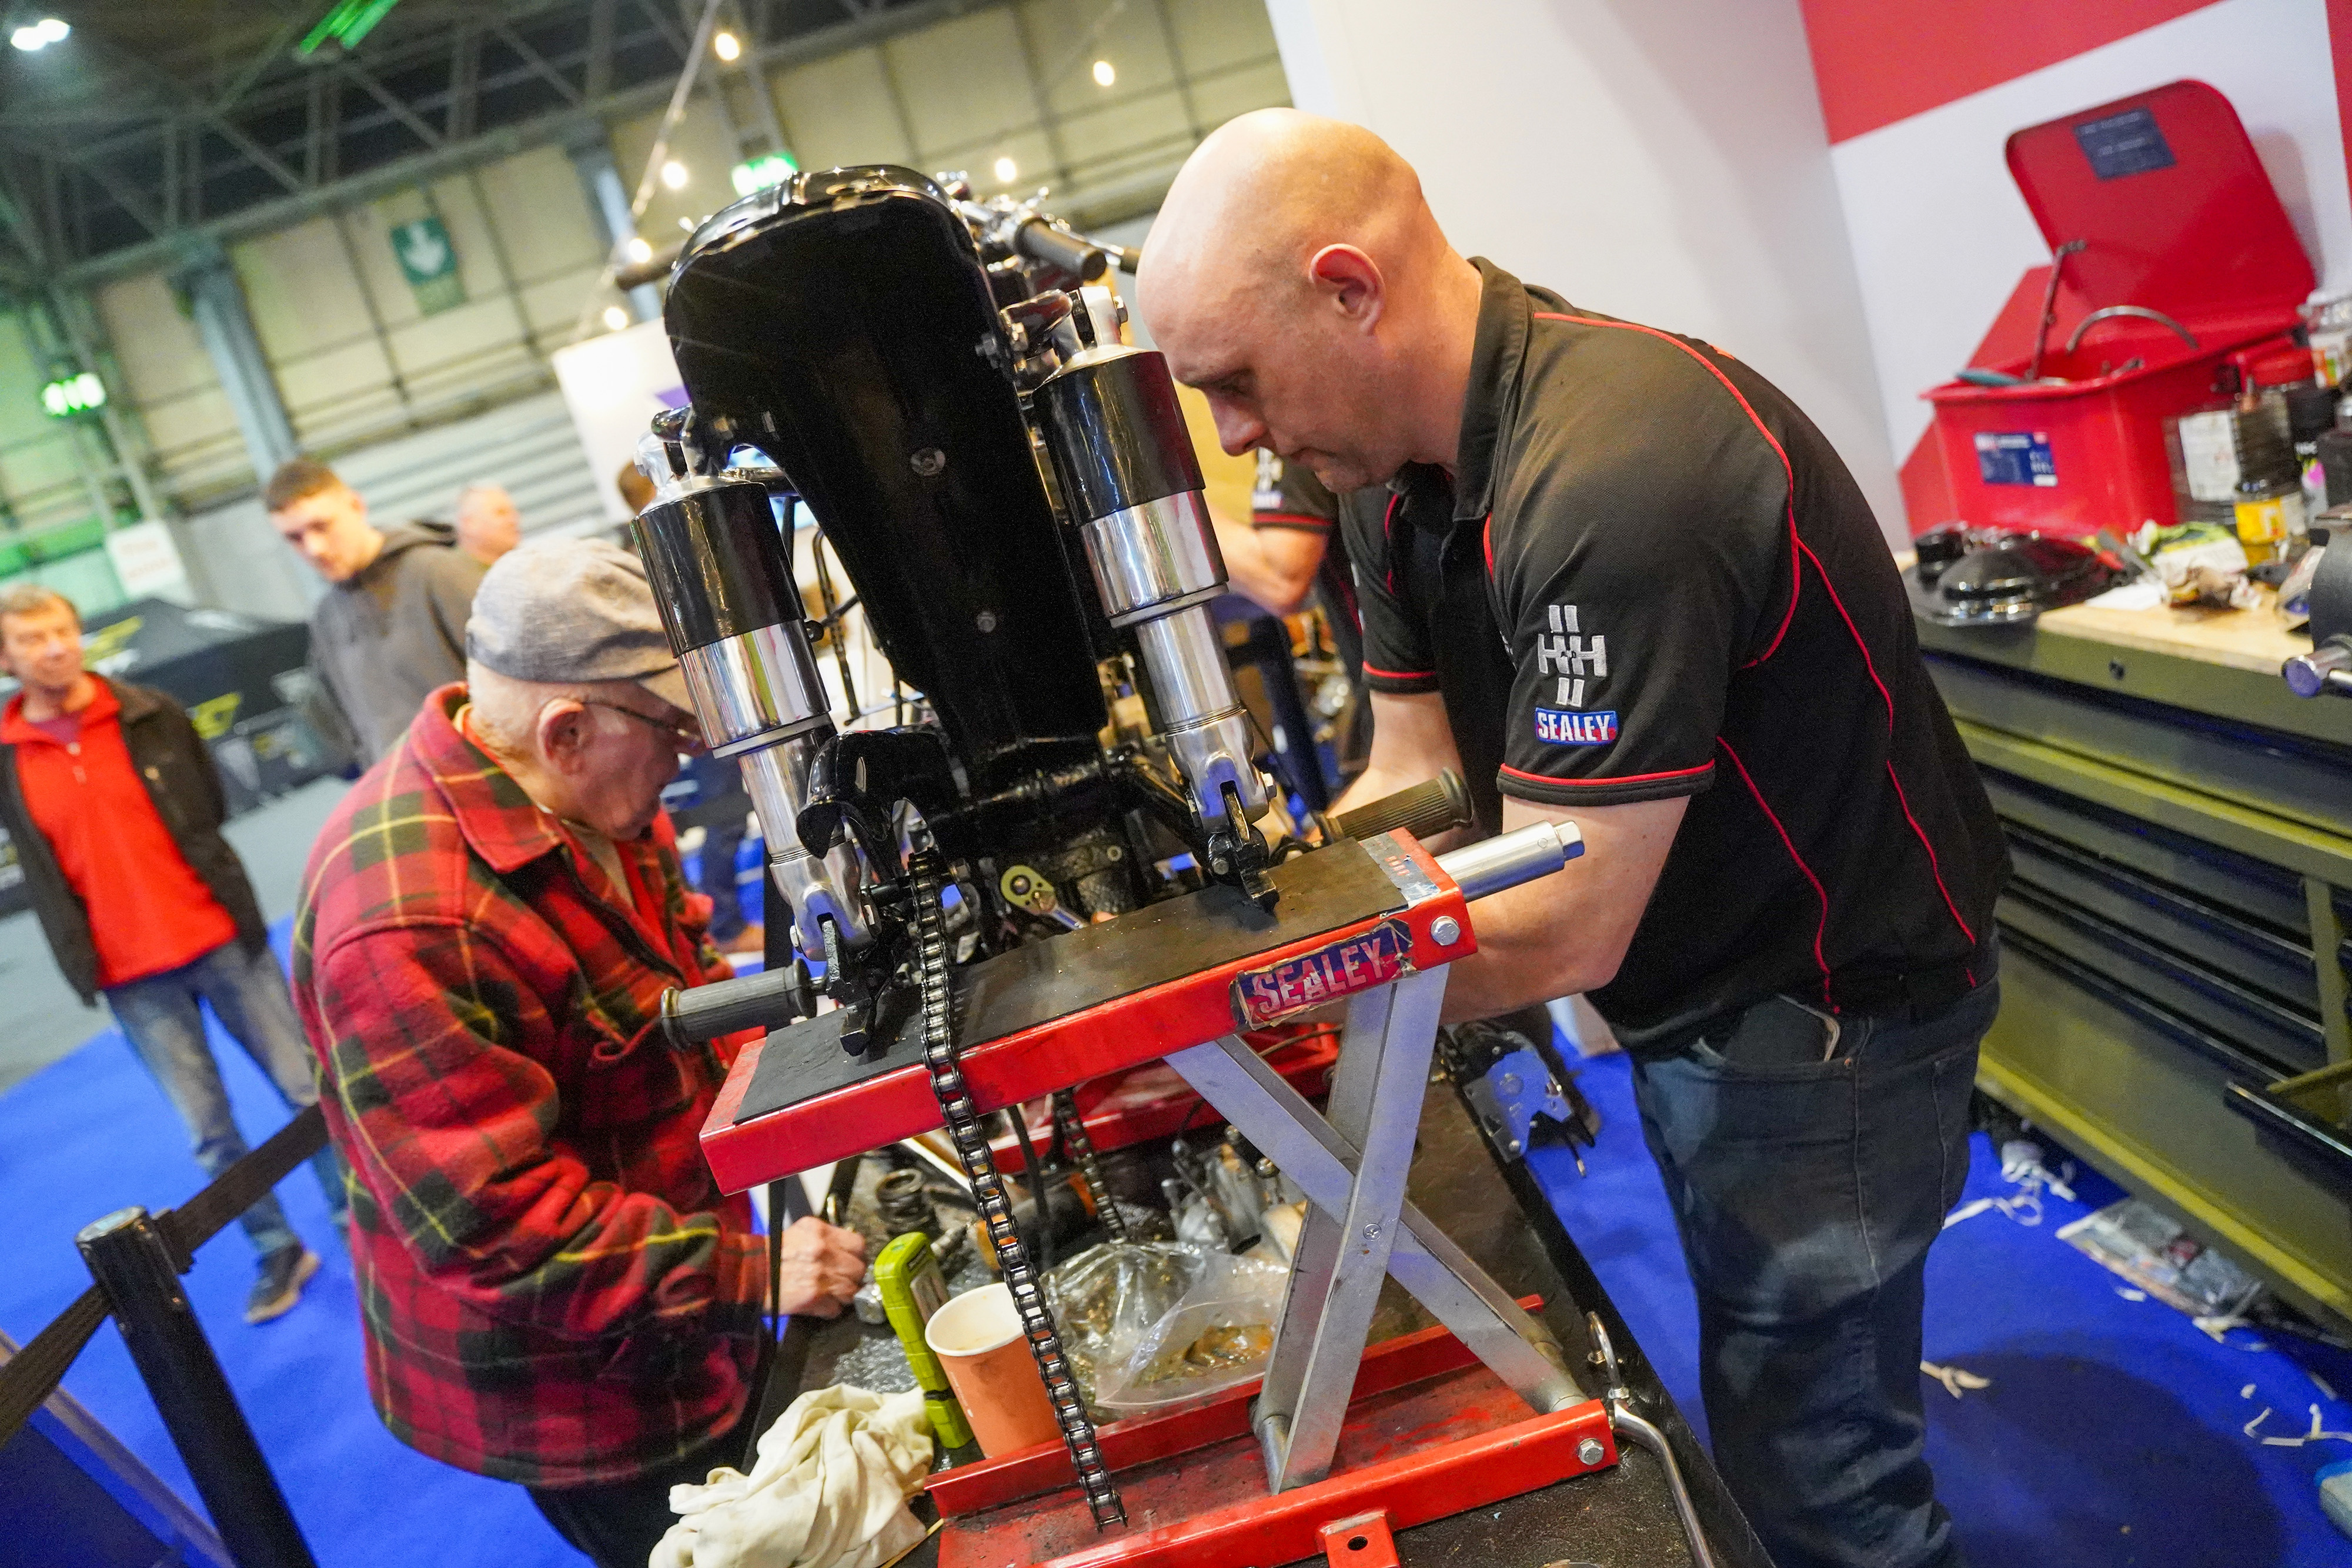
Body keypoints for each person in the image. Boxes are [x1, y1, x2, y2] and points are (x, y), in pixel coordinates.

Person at [1139, 110, 2007, 1568]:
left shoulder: (1617, 471)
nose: (1234, 438)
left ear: (1347, 290)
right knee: (1761, 1369)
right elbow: (1414, 772)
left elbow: (1564, 921)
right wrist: (1261, 910)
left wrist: (1254, 997)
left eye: (1233, 381)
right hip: (1691, 972)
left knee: (1812, 1469)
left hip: (1828, 1005)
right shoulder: (1390, 481)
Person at [292, 537, 866, 1568]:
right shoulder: (408, 921)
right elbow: (499, 1232)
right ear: (566, 729)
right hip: (577, 1381)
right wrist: (749, 1271)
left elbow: (673, 980)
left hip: (678, 1274)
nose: (684, 760)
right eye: (671, 734)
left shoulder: (586, 795)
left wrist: (825, 1071)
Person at [0, 585, 344, 1323]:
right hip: (127, 977)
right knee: (209, 1135)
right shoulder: (6, 757)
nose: (54, 649)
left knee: (305, 1091)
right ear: (7, 657)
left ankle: (357, 1219)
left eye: (62, 631)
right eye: (32, 640)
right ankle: (276, 1248)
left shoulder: (151, 711)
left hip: (220, 939)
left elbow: (207, 805)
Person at [266, 457, 485, 766]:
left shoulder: (438, 573)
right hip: (401, 791)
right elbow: (349, 731)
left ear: (356, 506)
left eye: (321, 526)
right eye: (294, 537)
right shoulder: (326, 620)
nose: (314, 548)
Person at [453, 482, 523, 565]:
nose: (514, 520)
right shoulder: (451, 570)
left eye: (512, 512)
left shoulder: (526, 564)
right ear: (468, 523)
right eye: (501, 513)